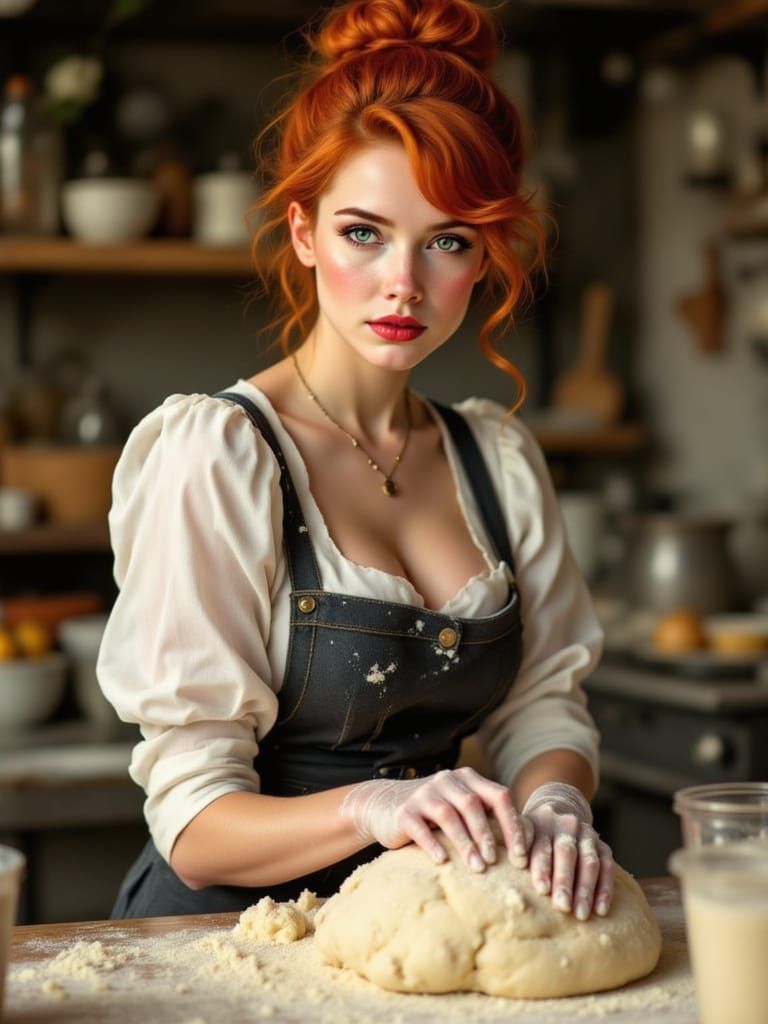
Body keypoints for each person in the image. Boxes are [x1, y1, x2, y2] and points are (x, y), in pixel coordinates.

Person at [98, 0, 614, 922]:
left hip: (422, 925)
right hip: (221, 941)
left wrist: (555, 799)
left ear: (483, 255)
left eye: (448, 240)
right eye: (363, 232)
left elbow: (542, 705)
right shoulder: (219, 456)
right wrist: (374, 807)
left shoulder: (495, 457)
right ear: (304, 233)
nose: (403, 283)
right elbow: (194, 818)